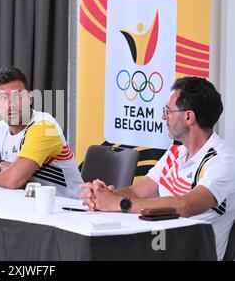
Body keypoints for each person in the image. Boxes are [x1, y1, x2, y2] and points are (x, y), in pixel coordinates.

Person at [80, 76, 235, 260]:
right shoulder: (176, 152)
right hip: (158, 248)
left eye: (168, 111)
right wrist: (103, 196)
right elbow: (137, 191)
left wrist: (118, 203)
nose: (163, 116)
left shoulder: (224, 160)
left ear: (188, 117)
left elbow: (184, 206)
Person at [0, 66, 83, 198]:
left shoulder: (44, 126)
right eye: (4, 98)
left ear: (30, 98)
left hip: (68, 208)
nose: (11, 105)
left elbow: (13, 180)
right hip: (30, 207)